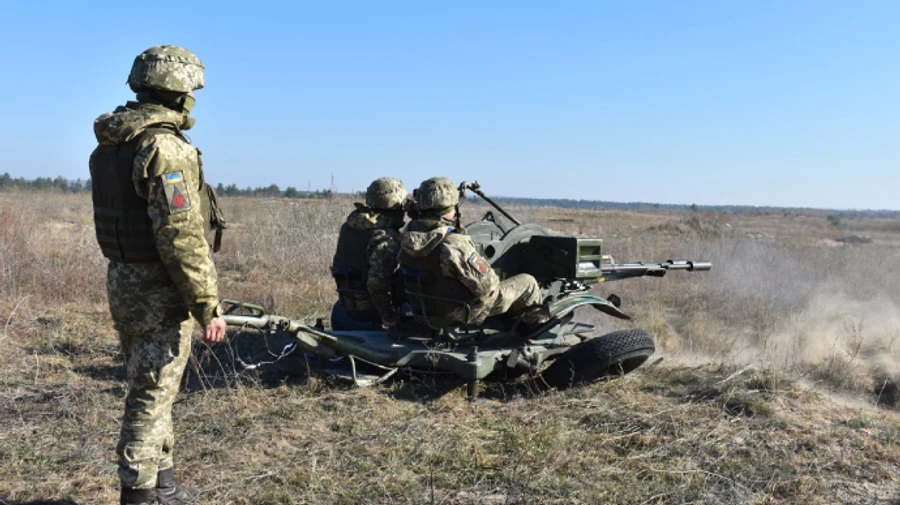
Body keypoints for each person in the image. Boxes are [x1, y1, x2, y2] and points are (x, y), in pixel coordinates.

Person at [89, 45, 225, 505]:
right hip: (159, 290)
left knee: (157, 386)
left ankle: (163, 484)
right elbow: (181, 238)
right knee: (150, 397)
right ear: (177, 90)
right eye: (191, 90)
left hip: (124, 280)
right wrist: (207, 305)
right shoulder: (164, 147)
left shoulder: (113, 144)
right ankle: (139, 495)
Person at [398, 177, 547, 330]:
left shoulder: (407, 237)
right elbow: (488, 288)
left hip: (424, 313)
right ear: (448, 210)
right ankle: (531, 332)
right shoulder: (453, 244)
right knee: (527, 283)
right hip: (460, 314)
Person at [331, 177, 407, 329]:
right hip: (371, 312)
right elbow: (376, 283)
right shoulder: (385, 236)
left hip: (346, 305)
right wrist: (387, 316)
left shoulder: (349, 226)